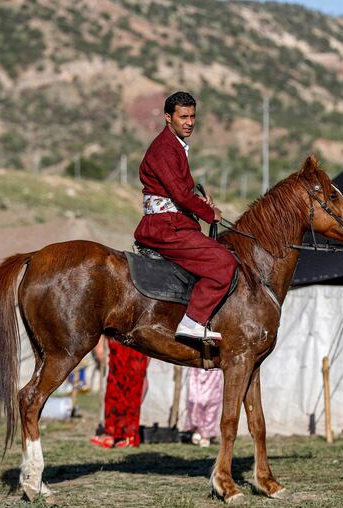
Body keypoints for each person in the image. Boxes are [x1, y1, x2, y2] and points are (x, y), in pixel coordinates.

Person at [133, 91, 238, 342]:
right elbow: (179, 195)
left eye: (192, 116)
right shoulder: (164, 149)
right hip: (165, 227)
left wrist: (198, 203)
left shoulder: (175, 146)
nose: (189, 122)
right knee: (225, 262)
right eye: (183, 117)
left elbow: (177, 192)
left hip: (174, 222)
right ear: (168, 117)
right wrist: (208, 213)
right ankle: (193, 322)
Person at [90, 338, 149, 448]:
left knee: (128, 388)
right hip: (125, 341)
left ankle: (124, 434)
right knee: (118, 389)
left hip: (130, 341)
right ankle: (116, 434)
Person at [184, 368, 223, 447]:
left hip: (213, 369)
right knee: (195, 399)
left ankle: (206, 434)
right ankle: (197, 430)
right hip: (197, 367)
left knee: (211, 400)